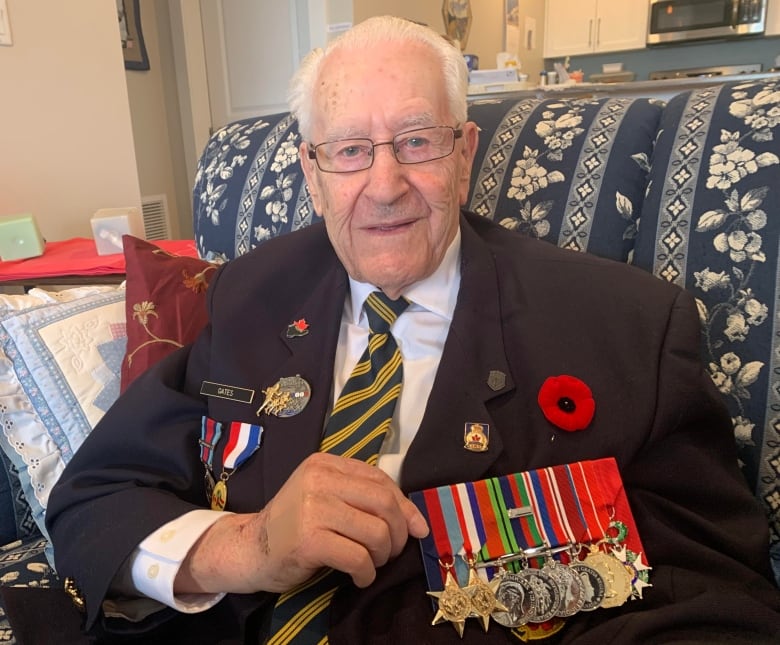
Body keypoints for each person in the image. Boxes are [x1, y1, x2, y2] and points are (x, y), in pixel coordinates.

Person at [41, 15, 780, 644]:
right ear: (311, 173)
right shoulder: (252, 292)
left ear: (463, 156)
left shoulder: (626, 326)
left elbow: (720, 596)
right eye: (350, 151)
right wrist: (250, 548)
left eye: (417, 141)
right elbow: (94, 497)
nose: (385, 184)